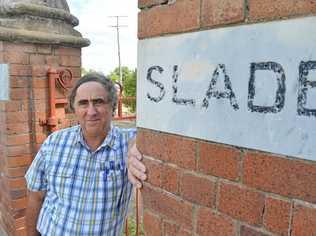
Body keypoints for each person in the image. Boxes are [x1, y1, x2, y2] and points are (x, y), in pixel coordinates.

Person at [25, 72, 146, 236]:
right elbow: (35, 197)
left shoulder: (126, 144)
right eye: (83, 103)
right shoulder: (54, 143)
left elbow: (150, 137)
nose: (91, 111)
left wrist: (137, 142)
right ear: (74, 108)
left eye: (99, 102)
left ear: (112, 106)